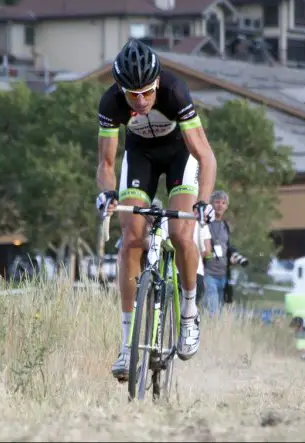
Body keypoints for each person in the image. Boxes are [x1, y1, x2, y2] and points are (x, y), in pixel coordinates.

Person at [94, 39, 218, 382]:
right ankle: (126, 344)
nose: (140, 100)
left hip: (180, 154)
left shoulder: (176, 92)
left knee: (181, 232)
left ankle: (190, 313)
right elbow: (105, 163)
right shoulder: (110, 102)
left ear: (158, 83)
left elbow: (206, 156)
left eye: (147, 92)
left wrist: (204, 202)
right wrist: (106, 194)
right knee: (131, 239)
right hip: (140, 158)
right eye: (132, 94)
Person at [202, 190, 248, 314]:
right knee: (213, 311)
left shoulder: (225, 226)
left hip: (223, 275)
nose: (220, 205)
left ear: (226, 206)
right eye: (217, 202)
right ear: (211, 204)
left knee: (220, 311)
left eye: (223, 203)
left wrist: (233, 256)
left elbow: (226, 247)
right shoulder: (204, 223)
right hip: (208, 273)